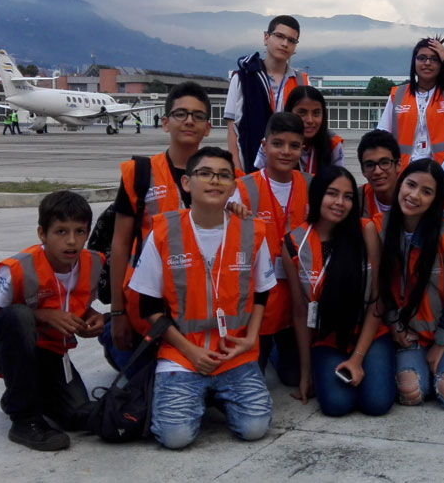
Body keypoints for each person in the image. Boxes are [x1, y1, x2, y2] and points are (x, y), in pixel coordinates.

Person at [128, 146, 275, 448]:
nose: (215, 181)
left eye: (224, 175)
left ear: (233, 187)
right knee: (174, 438)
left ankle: (215, 395)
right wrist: (191, 353)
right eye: (205, 173)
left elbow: (262, 292)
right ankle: (196, 392)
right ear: (186, 182)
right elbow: (149, 307)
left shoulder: (252, 231)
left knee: (255, 428)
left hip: (234, 353)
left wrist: (250, 338)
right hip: (182, 354)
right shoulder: (163, 233)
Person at [0, 191, 104, 451]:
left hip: (48, 349)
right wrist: (43, 314)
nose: (71, 241)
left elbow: (76, 301)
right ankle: (24, 419)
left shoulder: (94, 262)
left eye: (80, 231)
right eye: (61, 232)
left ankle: (23, 393)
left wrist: (91, 317)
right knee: (18, 315)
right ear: (42, 234)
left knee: (78, 414)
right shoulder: (16, 269)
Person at [103, 82, 211, 370]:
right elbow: (120, 245)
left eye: (198, 116)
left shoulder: (223, 176)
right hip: (145, 309)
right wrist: (117, 313)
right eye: (181, 114)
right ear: (165, 123)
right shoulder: (140, 174)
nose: (189, 121)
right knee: (141, 382)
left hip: (199, 309)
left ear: (208, 128)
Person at [282, 166, 396, 416]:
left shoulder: (365, 230)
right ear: (317, 195)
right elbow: (300, 313)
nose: (340, 202)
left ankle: (369, 365)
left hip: (368, 333)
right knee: (336, 405)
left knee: (376, 404)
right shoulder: (294, 243)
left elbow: (377, 302)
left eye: (347, 197)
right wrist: (306, 373)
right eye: (332, 194)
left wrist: (357, 358)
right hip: (327, 337)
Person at [373, 158, 444, 410]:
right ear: (399, 185)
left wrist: (441, 343)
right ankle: (434, 368)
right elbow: (381, 286)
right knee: (410, 392)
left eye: (426, 191)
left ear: (435, 199)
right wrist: (393, 324)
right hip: (410, 330)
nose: (414, 195)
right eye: (410, 185)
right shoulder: (379, 227)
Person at [230, 112, 311, 386]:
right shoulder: (241, 189)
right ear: (264, 145)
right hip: (258, 308)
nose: (286, 152)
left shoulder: (311, 186)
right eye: (278, 144)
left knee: (293, 377)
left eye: (294, 145)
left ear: (303, 148)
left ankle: (279, 351)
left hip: (296, 303)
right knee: (249, 382)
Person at [225, 15, 309, 173]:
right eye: (279, 36)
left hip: (290, 172)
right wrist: (237, 173)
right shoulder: (242, 78)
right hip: (250, 170)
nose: (285, 44)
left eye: (291, 40)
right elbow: (232, 130)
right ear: (266, 37)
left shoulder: (301, 82)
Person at [376, 37, 444, 168]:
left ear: (441, 64)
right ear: (414, 63)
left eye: (434, 59)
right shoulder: (398, 94)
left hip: (440, 172)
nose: (427, 63)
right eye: (422, 58)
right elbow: (382, 135)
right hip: (404, 171)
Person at [254, 86, 343, 174]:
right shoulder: (271, 141)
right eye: (302, 113)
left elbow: (340, 181)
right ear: (289, 112)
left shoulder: (333, 143)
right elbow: (259, 178)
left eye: (316, 113)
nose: (310, 120)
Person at [357, 129, 401, 220]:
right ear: (362, 170)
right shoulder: (355, 201)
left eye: (384, 163)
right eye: (369, 165)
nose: (377, 171)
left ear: (398, 165)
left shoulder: (413, 198)